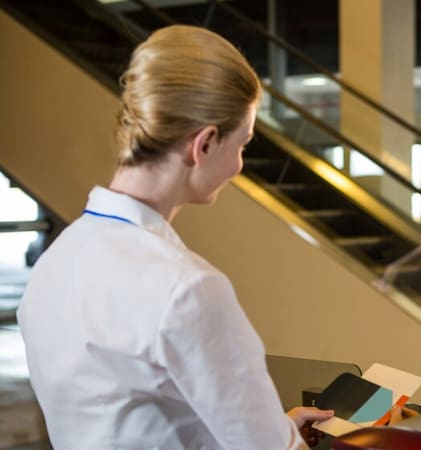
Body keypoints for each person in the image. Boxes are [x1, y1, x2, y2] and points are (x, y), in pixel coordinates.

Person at [16, 25, 334, 449]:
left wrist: (276, 427)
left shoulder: (57, 261)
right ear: (203, 144)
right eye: (242, 145)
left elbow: (134, 417)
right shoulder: (188, 288)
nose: (239, 166)